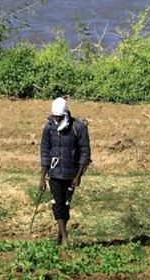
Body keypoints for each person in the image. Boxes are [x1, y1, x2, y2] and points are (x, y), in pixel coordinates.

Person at [39, 97, 91, 247]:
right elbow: (45, 152)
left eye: (59, 117)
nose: (57, 119)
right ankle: (66, 239)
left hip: (71, 174)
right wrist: (43, 177)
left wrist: (79, 175)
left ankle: (60, 236)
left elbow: (85, 152)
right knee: (57, 204)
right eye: (55, 116)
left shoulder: (78, 127)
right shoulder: (49, 128)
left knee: (66, 205)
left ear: (65, 114)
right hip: (54, 174)